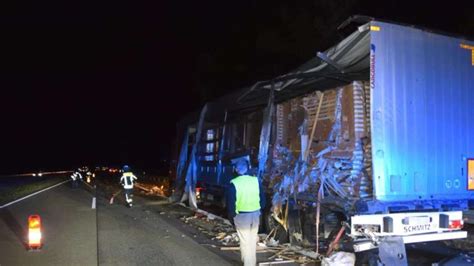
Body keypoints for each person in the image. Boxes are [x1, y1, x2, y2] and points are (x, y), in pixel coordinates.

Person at [227, 159, 266, 266]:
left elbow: (231, 204)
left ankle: (249, 264)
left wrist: (232, 217)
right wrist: (260, 209)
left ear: (236, 169)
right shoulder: (255, 180)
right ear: (247, 168)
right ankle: (250, 262)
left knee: (245, 241)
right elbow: (262, 198)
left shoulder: (234, 183)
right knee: (252, 239)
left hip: (242, 216)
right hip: (255, 214)